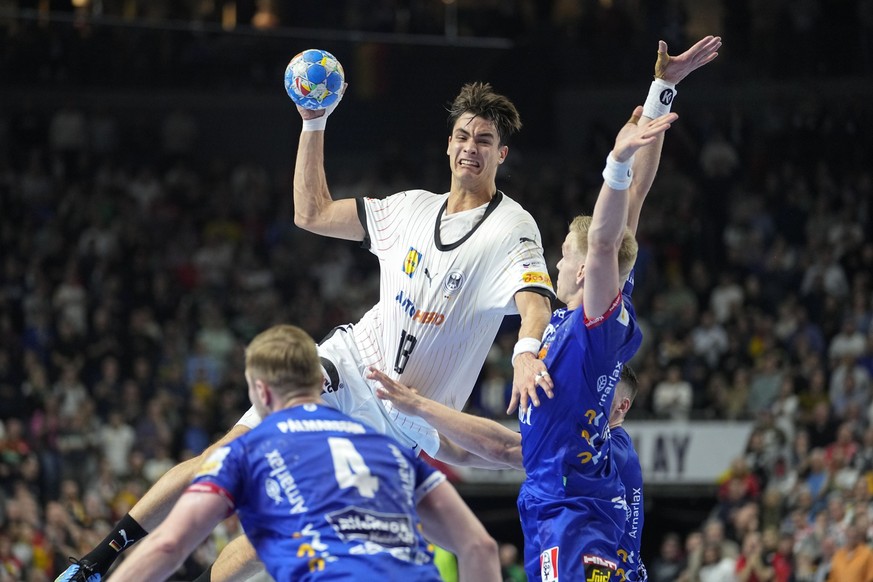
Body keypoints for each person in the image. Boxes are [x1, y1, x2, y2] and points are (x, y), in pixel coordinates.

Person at [57, 78, 556, 582]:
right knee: (223, 455)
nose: (471, 148)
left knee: (268, 539)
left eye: (484, 140)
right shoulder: (410, 208)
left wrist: (526, 352)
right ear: (448, 143)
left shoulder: (512, 227)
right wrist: (313, 122)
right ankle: (95, 562)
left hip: (399, 422)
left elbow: (533, 300)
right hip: (346, 365)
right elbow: (311, 212)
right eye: (463, 136)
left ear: (502, 153)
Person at [105, 324, 501, 582]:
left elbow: (169, 546)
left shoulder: (253, 452)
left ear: (260, 393)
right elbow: (480, 547)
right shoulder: (390, 449)